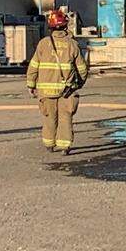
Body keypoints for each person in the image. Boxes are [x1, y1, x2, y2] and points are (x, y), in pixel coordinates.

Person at [26, 9, 89, 155]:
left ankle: (49, 144)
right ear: (66, 26)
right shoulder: (72, 45)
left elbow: (33, 66)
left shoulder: (43, 44)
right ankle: (65, 147)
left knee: (49, 117)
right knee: (65, 118)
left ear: (50, 27)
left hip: (46, 91)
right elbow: (82, 69)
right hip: (67, 91)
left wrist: (31, 84)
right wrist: (79, 84)